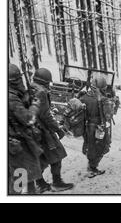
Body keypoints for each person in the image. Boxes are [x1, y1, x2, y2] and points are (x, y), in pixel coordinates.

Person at [30, 68, 73, 193]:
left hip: (33, 130)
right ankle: (57, 182)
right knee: (57, 154)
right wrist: (58, 129)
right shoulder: (41, 92)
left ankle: (40, 183)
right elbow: (45, 115)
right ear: (45, 81)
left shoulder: (30, 88)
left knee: (41, 158)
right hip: (43, 130)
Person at [8, 64, 43, 194]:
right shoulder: (10, 98)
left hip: (20, 142)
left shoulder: (13, 94)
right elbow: (28, 119)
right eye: (18, 79)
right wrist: (35, 105)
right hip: (17, 145)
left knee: (27, 177)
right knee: (20, 178)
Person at [79, 76, 115, 178]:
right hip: (98, 127)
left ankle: (91, 165)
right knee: (103, 146)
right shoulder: (103, 99)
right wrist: (112, 104)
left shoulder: (84, 97)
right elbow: (109, 115)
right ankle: (92, 168)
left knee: (91, 145)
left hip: (86, 127)